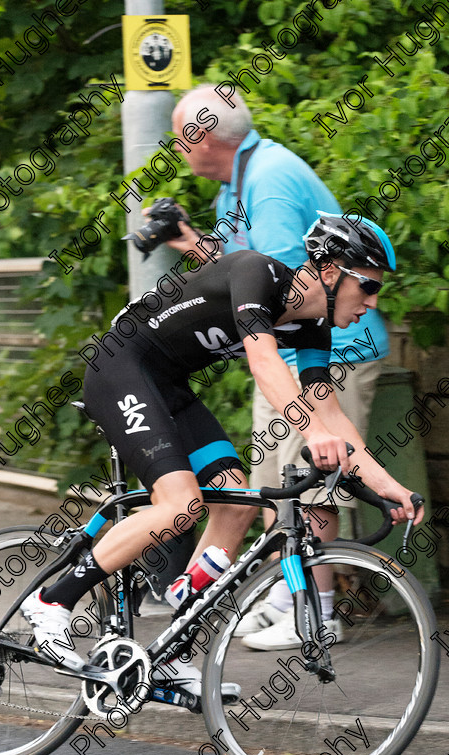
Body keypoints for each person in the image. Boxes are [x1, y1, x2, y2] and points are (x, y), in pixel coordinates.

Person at [21, 214, 422, 702]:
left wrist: (387, 485)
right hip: (120, 368)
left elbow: (329, 410)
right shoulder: (259, 275)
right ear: (333, 271)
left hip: (167, 388)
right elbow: (264, 362)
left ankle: (170, 654)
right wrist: (312, 432)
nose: (374, 302)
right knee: (180, 506)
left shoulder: (315, 326)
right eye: (370, 286)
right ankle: (51, 600)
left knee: (237, 504)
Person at [161, 85, 390, 650]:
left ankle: (317, 611)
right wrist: (188, 243)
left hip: (325, 349)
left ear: (204, 137)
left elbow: (300, 294)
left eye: (179, 136)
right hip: (285, 352)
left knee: (307, 484)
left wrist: (298, 396)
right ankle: (291, 596)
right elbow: (242, 276)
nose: (175, 148)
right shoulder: (237, 184)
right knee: (272, 487)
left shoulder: (267, 183)